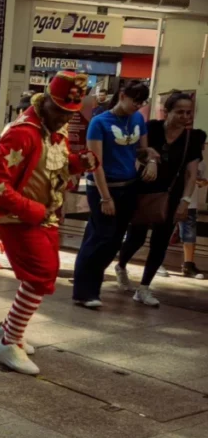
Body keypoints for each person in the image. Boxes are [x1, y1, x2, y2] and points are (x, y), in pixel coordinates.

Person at [0, 70, 99, 374]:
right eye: (60, 111)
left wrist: (78, 163)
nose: (64, 119)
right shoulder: (23, 131)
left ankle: (8, 330)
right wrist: (32, 210)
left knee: (43, 274)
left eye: (71, 113)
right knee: (41, 274)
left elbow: (51, 165)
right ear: (45, 101)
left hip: (43, 215)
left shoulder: (52, 129)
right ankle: (9, 341)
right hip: (19, 216)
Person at [115, 91, 205, 306]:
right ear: (167, 112)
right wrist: (151, 158)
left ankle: (144, 288)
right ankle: (121, 264)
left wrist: (185, 201)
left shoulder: (194, 138)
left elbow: (191, 173)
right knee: (135, 238)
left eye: (189, 112)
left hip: (172, 195)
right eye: (180, 112)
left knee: (160, 243)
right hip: (144, 190)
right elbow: (137, 151)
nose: (185, 116)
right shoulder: (152, 128)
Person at [72, 81, 156, 309]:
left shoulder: (138, 119)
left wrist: (151, 159)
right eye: (134, 99)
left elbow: (140, 150)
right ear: (122, 95)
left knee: (114, 239)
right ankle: (83, 291)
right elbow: (95, 163)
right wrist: (105, 197)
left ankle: (91, 287)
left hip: (128, 185)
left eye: (142, 102)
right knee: (101, 237)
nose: (137, 105)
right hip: (103, 186)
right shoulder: (99, 123)